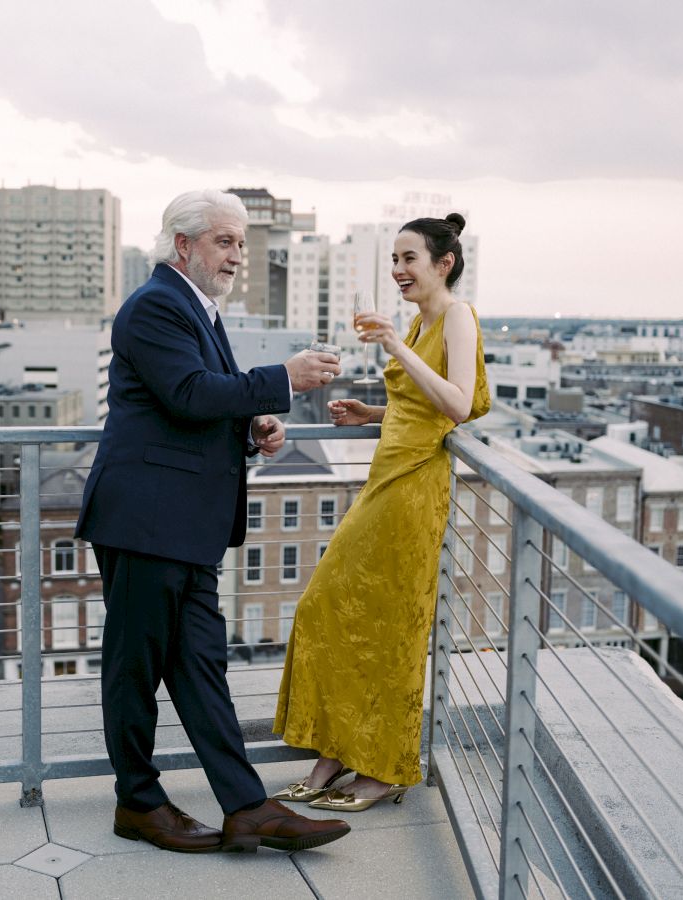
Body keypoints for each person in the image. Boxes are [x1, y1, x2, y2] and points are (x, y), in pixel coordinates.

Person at [75, 189, 351, 854]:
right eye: (224, 241)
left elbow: (198, 404)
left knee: (201, 667)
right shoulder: (155, 305)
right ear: (183, 245)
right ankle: (137, 802)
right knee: (133, 668)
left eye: (240, 243)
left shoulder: (198, 308)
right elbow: (188, 392)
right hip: (145, 521)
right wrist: (282, 378)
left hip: (184, 527)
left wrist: (252, 426)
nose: (236, 256)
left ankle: (247, 807)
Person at [272, 213, 490, 811]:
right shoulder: (422, 322)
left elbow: (459, 405)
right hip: (387, 479)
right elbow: (418, 405)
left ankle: (384, 766)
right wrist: (369, 414)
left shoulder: (457, 317)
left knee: (391, 629)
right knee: (329, 610)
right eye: (393, 260)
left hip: (416, 489)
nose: (397, 270)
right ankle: (337, 750)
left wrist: (393, 344)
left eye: (409, 258)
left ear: (444, 263)